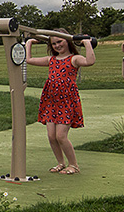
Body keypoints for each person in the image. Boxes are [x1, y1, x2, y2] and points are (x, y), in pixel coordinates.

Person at [25, 29, 95, 175]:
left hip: (66, 102)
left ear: (67, 41)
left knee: (60, 136)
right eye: (54, 43)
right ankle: (61, 163)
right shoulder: (51, 60)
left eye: (60, 41)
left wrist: (87, 43)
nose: (57, 45)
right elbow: (29, 60)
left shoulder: (74, 59)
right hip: (51, 101)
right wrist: (29, 43)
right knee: (51, 136)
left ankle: (74, 165)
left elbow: (90, 61)